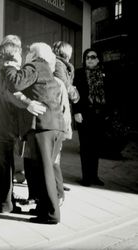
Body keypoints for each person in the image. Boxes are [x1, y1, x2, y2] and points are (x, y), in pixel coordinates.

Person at [0, 35, 46, 213]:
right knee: (4, 166)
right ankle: (6, 205)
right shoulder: (8, 67)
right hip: (2, 123)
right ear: (15, 51)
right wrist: (28, 104)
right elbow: (10, 93)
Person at [3, 42, 66, 224]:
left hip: (43, 126)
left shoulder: (35, 65)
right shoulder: (47, 70)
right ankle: (43, 208)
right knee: (44, 168)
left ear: (33, 54)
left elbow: (16, 82)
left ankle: (51, 214)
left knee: (43, 170)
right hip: (54, 125)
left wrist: (10, 67)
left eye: (28, 52)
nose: (25, 56)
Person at [73, 48, 108, 187]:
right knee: (86, 146)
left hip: (100, 115)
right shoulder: (79, 73)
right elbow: (74, 95)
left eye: (93, 57)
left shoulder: (104, 74)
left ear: (98, 59)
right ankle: (86, 177)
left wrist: (108, 113)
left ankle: (94, 176)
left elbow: (110, 93)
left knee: (96, 147)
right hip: (84, 114)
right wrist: (76, 112)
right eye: (87, 57)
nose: (90, 59)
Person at [52, 41, 80, 192]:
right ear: (66, 53)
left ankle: (57, 182)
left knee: (57, 148)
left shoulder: (61, 65)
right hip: (58, 111)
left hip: (60, 109)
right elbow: (66, 87)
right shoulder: (58, 65)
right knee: (56, 149)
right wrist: (75, 94)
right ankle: (56, 185)